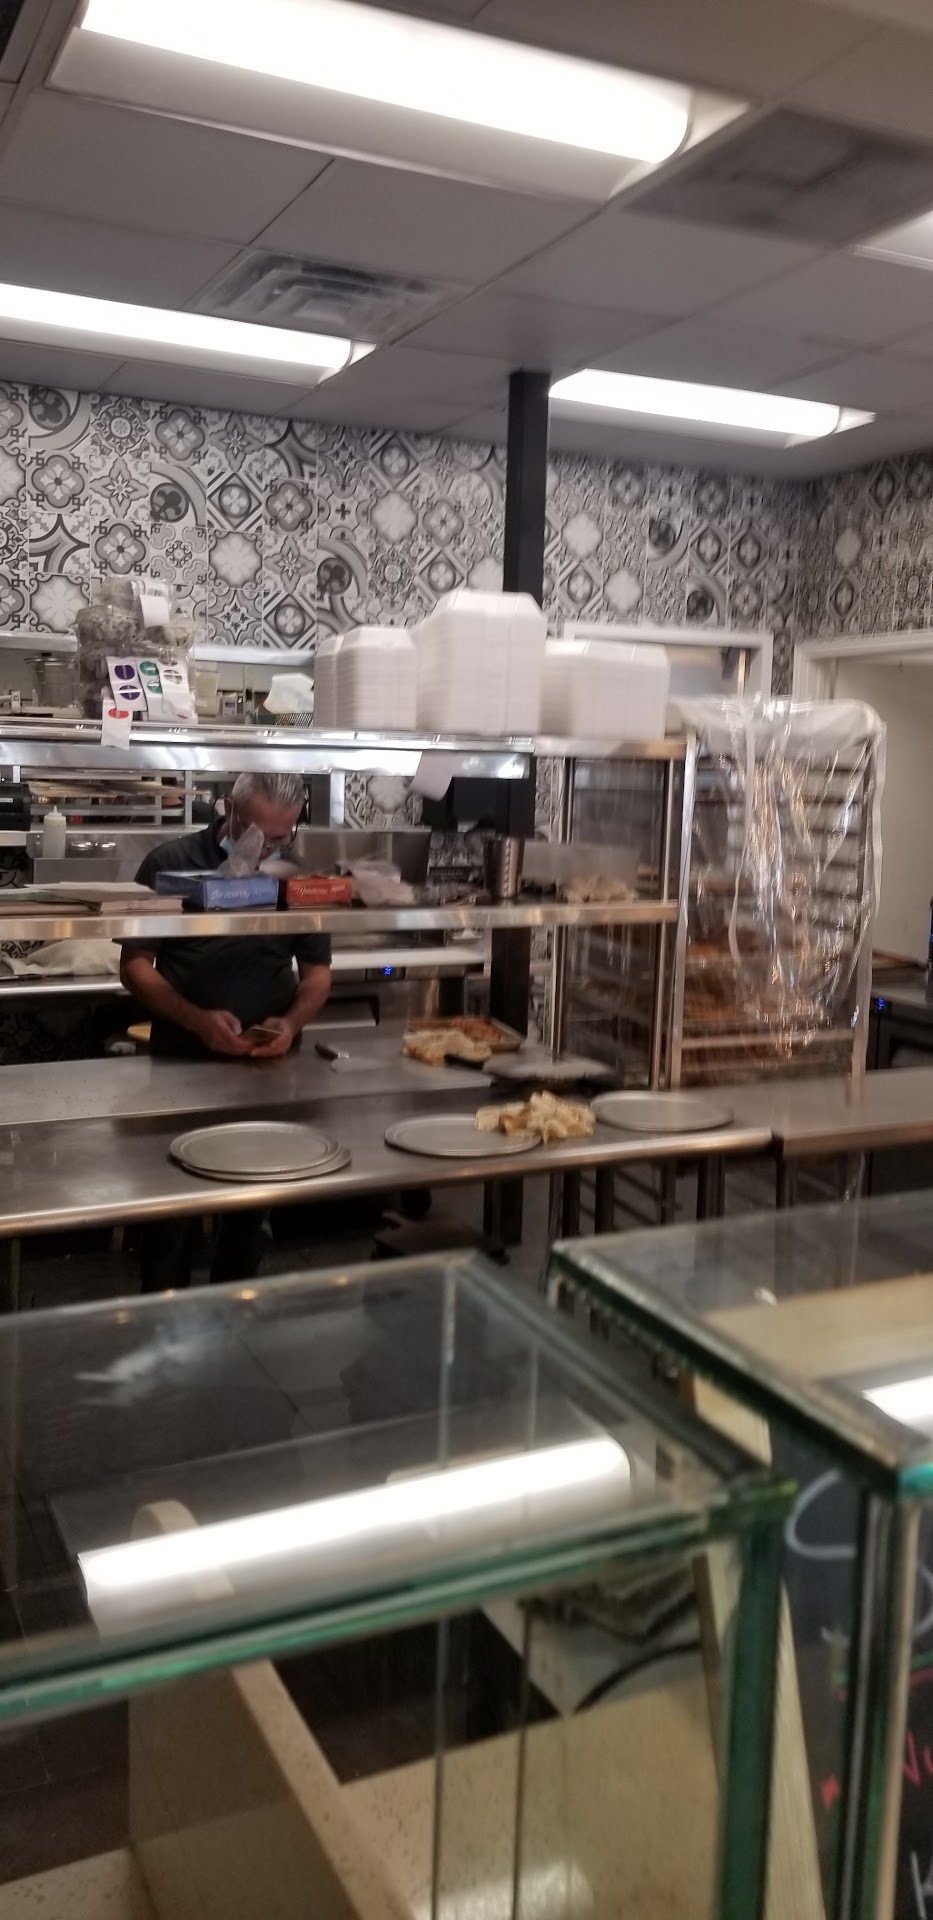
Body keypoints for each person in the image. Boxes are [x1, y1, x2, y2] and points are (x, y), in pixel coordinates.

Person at [120, 771, 332, 1291]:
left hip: (266, 1071)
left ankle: (234, 1314)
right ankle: (161, 1317)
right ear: (228, 810)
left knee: (250, 1215)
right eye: (258, 832)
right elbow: (135, 967)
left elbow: (317, 976)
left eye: (281, 836)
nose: (268, 847)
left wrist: (290, 1024)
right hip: (180, 1067)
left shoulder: (296, 876)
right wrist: (198, 1020)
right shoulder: (169, 863)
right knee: (170, 1216)